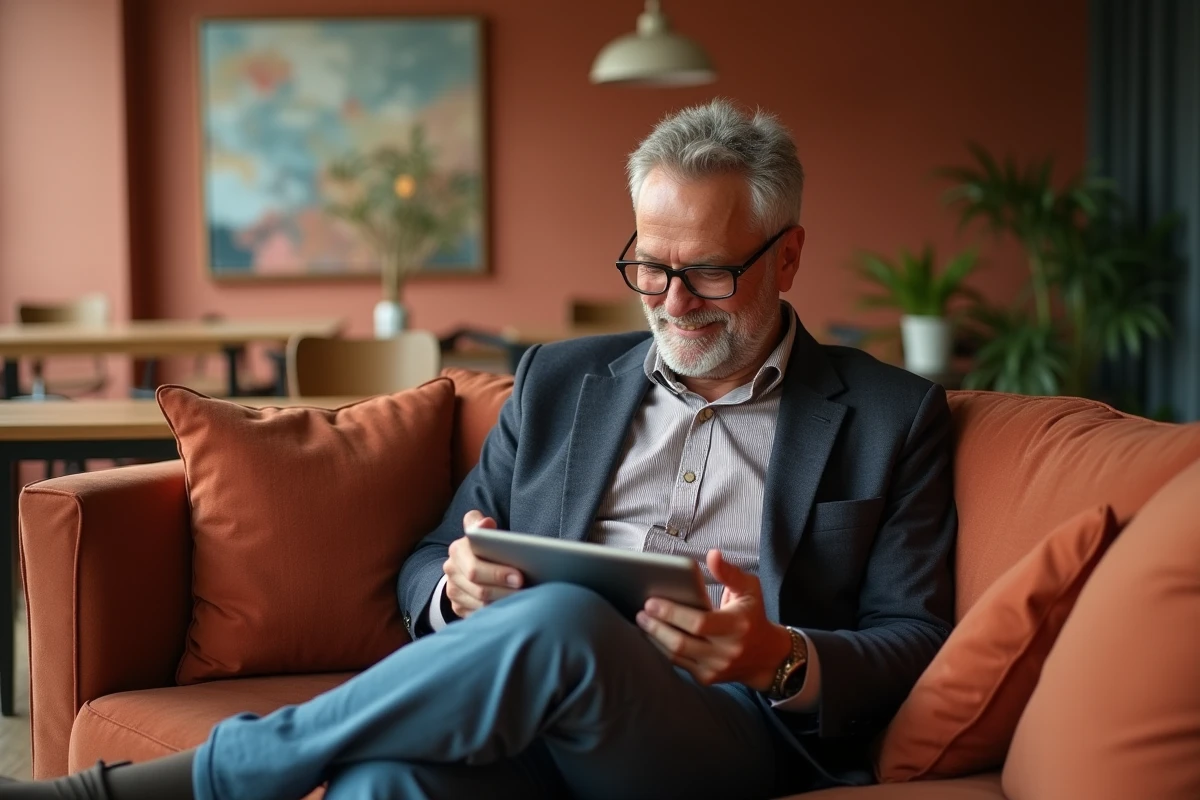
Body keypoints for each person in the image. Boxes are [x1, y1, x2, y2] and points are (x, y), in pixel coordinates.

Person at [1, 98, 956, 800]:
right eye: (649, 268)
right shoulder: (561, 383)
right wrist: (457, 587)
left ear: (786, 257)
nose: (669, 302)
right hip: (534, 713)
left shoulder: (888, 415)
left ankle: (176, 786)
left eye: (706, 273)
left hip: (728, 735)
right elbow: (429, 558)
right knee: (387, 785)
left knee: (566, 625)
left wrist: (777, 657)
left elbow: (914, 637)